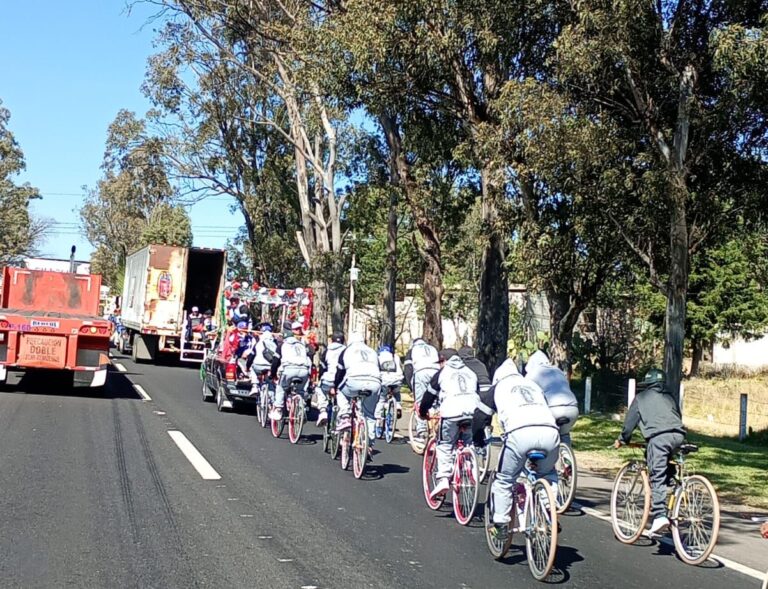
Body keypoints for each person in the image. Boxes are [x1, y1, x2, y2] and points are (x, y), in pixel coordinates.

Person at [480, 357, 560, 541]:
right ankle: (549, 513)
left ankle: (500, 525)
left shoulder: (498, 388)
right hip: (550, 432)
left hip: (519, 434)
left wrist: (478, 440)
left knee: (505, 479)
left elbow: (481, 416)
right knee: (547, 473)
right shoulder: (533, 385)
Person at [614, 368, 686, 535]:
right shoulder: (669, 397)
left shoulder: (640, 399)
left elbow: (629, 424)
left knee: (656, 474)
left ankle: (660, 515)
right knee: (664, 463)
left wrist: (622, 439)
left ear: (646, 384)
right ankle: (672, 487)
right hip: (679, 435)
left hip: (659, 439)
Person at [418, 349, 481, 498]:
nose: (439, 365)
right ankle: (469, 466)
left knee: (445, 444)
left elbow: (429, 396)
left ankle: (444, 478)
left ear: (445, 361)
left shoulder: (442, 373)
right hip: (473, 412)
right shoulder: (471, 373)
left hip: (452, 413)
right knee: (469, 442)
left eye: (440, 362)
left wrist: (422, 412)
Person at [334, 333, 382, 452]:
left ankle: (345, 416)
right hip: (374, 382)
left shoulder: (347, 351)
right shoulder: (373, 351)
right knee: (369, 414)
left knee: (341, 391)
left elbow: (340, 372)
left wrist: (335, 386)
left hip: (354, 380)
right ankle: (369, 444)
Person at [525, 350, 579, 447]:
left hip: (553, 409)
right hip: (573, 408)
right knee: (564, 434)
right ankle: (566, 456)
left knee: (540, 433)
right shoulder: (558, 371)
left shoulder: (531, 375)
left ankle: (542, 460)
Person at [268, 321, 312, 421]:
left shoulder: (283, 345)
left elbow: (275, 361)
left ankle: (278, 409)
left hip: (289, 369)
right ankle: (301, 409)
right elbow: (311, 354)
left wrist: (273, 374)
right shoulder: (302, 345)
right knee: (300, 391)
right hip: (304, 370)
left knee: (281, 387)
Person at [403, 338, 441, 441]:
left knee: (420, 402)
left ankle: (422, 431)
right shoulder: (433, 348)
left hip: (421, 372)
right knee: (436, 400)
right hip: (436, 372)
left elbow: (408, 370)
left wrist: (412, 387)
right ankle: (438, 426)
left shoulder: (412, 351)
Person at [316, 332, 346, 427]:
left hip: (329, 379)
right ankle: (344, 416)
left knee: (320, 389)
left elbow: (322, 367)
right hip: (342, 380)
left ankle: (323, 411)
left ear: (331, 340)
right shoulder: (347, 351)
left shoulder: (327, 351)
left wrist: (320, 378)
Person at [374, 344, 404, 437]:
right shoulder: (396, 357)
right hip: (397, 380)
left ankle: (378, 420)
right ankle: (398, 405)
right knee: (396, 393)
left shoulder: (378, 357)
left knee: (381, 399)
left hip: (384, 381)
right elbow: (400, 369)